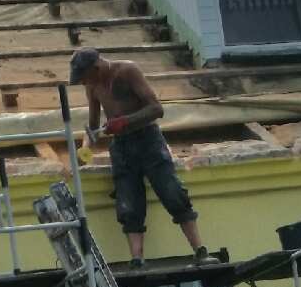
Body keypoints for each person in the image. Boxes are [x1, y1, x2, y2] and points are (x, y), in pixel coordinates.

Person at [68, 48, 214, 265]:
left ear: (96, 68)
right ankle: (137, 259)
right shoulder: (92, 86)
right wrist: (84, 150)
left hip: (148, 140)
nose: (82, 82)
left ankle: (200, 251)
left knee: (172, 193)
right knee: (128, 204)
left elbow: (156, 109)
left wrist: (125, 121)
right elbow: (93, 127)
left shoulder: (127, 71)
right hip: (121, 147)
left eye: (84, 77)